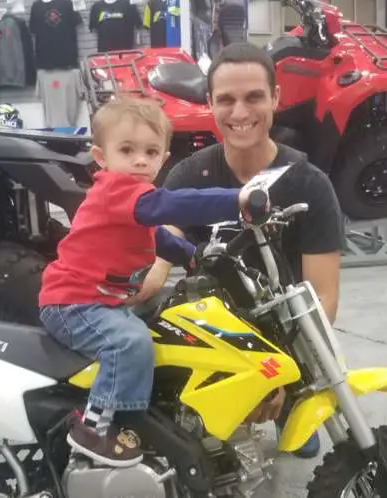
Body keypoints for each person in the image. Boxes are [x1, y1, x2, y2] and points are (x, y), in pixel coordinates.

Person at [137, 42, 344, 459]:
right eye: (226, 100)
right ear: (210, 103)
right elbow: (155, 253)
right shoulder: (190, 175)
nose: (240, 113)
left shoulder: (310, 185)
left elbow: (324, 298)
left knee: (300, 435)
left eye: (254, 97)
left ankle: (293, 399)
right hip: (213, 333)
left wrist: (282, 374)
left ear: (276, 98)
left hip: (282, 336)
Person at [38, 97, 259, 468]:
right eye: (127, 150)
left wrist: (193, 256)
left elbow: (157, 236)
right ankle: (94, 428)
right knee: (129, 342)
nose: (140, 160)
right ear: (101, 156)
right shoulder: (117, 190)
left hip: (99, 301)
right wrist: (237, 199)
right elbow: (170, 207)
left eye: (151, 151)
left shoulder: (132, 203)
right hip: (72, 302)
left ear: (164, 158)